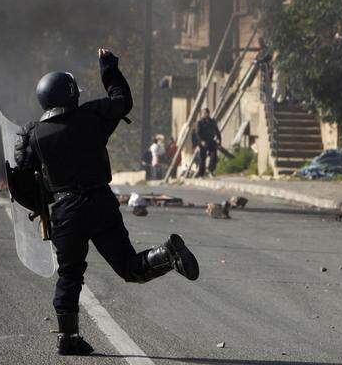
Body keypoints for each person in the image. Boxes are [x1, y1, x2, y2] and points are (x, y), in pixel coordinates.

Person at [14, 49, 199, 356]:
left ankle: (68, 337)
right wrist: (109, 68)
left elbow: (22, 183)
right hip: (101, 202)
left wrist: (41, 204)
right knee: (130, 267)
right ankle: (167, 253)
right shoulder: (91, 116)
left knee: (70, 274)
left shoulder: (33, 136)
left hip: (66, 210)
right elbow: (122, 100)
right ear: (70, 95)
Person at [195, 108, 221, 178]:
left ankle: (211, 171)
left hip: (211, 141)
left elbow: (217, 131)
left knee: (214, 156)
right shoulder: (199, 122)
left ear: (208, 113)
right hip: (203, 142)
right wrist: (201, 141)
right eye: (203, 113)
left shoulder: (212, 121)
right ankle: (201, 174)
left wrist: (219, 140)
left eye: (206, 113)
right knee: (202, 159)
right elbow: (197, 133)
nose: (205, 114)